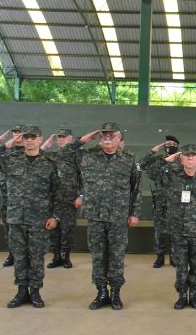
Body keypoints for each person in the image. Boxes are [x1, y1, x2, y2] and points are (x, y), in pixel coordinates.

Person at [58, 122, 142, 310]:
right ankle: (101, 291)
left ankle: (116, 293)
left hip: (118, 216)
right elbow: (62, 155)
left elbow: (135, 189)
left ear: (120, 138)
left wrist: (134, 213)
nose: (108, 138)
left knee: (116, 255)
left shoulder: (129, 159)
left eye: (112, 135)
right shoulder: (87, 155)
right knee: (98, 256)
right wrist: (81, 141)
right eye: (104, 135)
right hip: (95, 215)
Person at [0, 125, 61, 308]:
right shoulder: (10, 160)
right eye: (26, 137)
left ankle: (36, 291)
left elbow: (58, 192)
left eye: (33, 137)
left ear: (40, 139)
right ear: (21, 139)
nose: (29, 140)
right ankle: (22, 291)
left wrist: (55, 216)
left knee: (36, 257)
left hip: (39, 219)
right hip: (15, 217)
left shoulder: (50, 163)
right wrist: (6, 145)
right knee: (20, 256)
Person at [155, 144, 196, 310]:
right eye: (186, 155)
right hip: (178, 231)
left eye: (193, 155)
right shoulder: (172, 177)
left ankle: (194, 295)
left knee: (195, 266)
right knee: (181, 266)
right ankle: (182, 295)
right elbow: (154, 169)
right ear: (181, 158)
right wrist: (171, 158)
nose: (190, 158)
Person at [40, 128, 79, 269]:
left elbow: (85, 178)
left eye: (64, 137)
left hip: (69, 200)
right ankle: (56, 257)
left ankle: (66, 257)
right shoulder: (50, 155)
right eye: (59, 137)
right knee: (53, 230)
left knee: (67, 229)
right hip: (52, 199)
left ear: (71, 139)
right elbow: (35, 156)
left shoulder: (77, 156)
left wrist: (81, 195)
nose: (61, 139)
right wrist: (46, 145)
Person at [0, 124, 23, 267]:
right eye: (14, 132)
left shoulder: (30, 150)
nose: (16, 135)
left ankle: (23, 256)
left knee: (25, 229)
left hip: (26, 199)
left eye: (19, 132)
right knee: (9, 228)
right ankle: (11, 254)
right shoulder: (5, 151)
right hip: (8, 197)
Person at [148, 135, 180, 268]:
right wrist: (153, 151)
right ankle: (160, 256)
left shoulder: (183, 160)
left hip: (177, 203)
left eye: (173, 143)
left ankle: (174, 256)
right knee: (159, 232)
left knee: (175, 231)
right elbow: (144, 166)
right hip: (160, 203)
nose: (170, 145)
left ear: (177, 146)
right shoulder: (158, 160)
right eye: (167, 143)